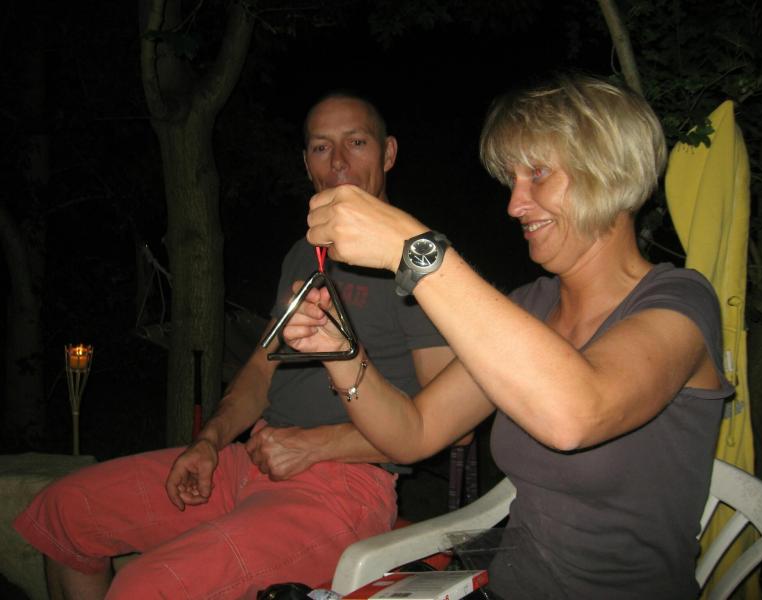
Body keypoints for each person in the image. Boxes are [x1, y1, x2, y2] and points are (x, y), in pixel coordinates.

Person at [281, 75, 733, 599]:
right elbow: (414, 432)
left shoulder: (681, 301)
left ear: (609, 171)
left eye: (537, 174)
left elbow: (574, 414)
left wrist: (413, 249)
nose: (515, 204)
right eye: (512, 180)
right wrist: (340, 351)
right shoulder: (529, 308)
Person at [13, 93, 454, 598]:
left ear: (388, 153)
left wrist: (316, 445)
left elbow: (449, 428)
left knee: (144, 587)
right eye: (320, 147)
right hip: (253, 458)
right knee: (64, 513)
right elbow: (262, 372)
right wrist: (210, 441)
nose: (337, 161)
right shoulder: (303, 255)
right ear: (305, 162)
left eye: (356, 142)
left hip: (346, 484)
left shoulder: (420, 261)